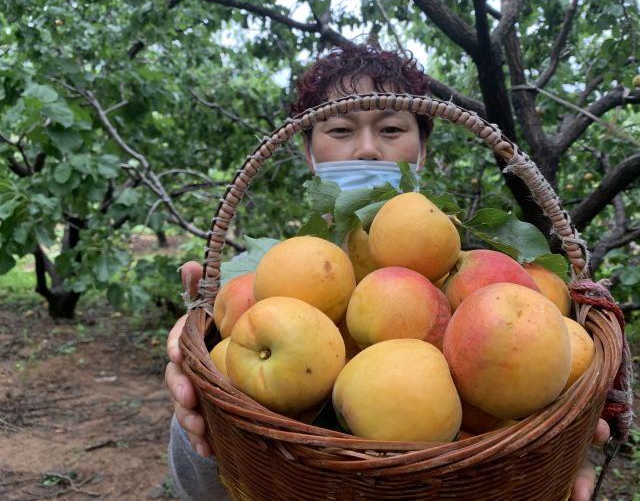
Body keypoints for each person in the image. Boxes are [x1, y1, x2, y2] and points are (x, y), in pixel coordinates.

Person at [165, 42, 610, 500]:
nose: (367, 149)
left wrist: (564, 437)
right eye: (340, 128)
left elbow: (544, 366)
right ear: (307, 150)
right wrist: (201, 394)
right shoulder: (270, 273)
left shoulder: (475, 276)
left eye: (392, 127)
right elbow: (205, 482)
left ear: (421, 149)